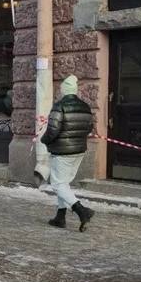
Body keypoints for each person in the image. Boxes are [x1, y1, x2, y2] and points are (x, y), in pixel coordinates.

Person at [40, 75, 95, 231]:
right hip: (79, 150)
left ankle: (81, 211)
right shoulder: (85, 107)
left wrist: (44, 140)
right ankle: (60, 216)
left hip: (62, 151)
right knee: (64, 183)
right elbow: (89, 128)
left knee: (57, 184)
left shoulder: (59, 106)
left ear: (64, 90)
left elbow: (52, 130)